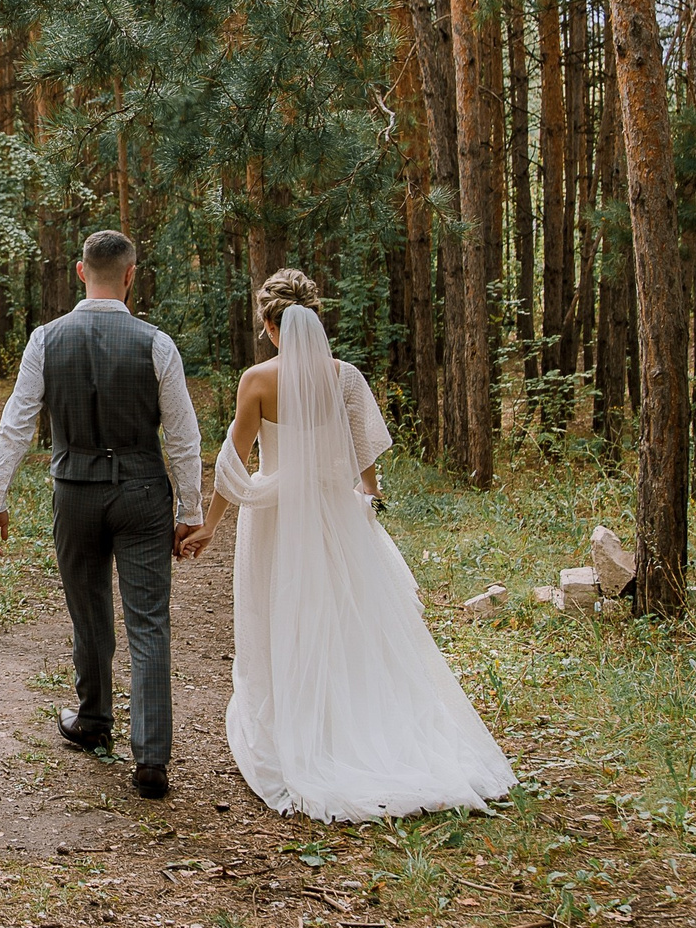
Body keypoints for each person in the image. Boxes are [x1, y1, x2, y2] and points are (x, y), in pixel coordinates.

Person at [182, 269, 514, 821]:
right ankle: (359, 722)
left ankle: (300, 724)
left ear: (269, 324)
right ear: (314, 317)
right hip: (336, 515)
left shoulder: (258, 380)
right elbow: (365, 451)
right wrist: (369, 495)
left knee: (284, 613)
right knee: (346, 618)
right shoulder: (346, 377)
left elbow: (233, 463)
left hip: (278, 520)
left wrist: (211, 525)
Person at [0, 230, 204, 800]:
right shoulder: (157, 344)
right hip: (142, 493)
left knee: (88, 611)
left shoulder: (46, 340)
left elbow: (18, 420)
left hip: (75, 491)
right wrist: (190, 507)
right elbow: (181, 434)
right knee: (148, 622)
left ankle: (93, 720)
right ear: (131, 276)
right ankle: (151, 758)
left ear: (82, 272)